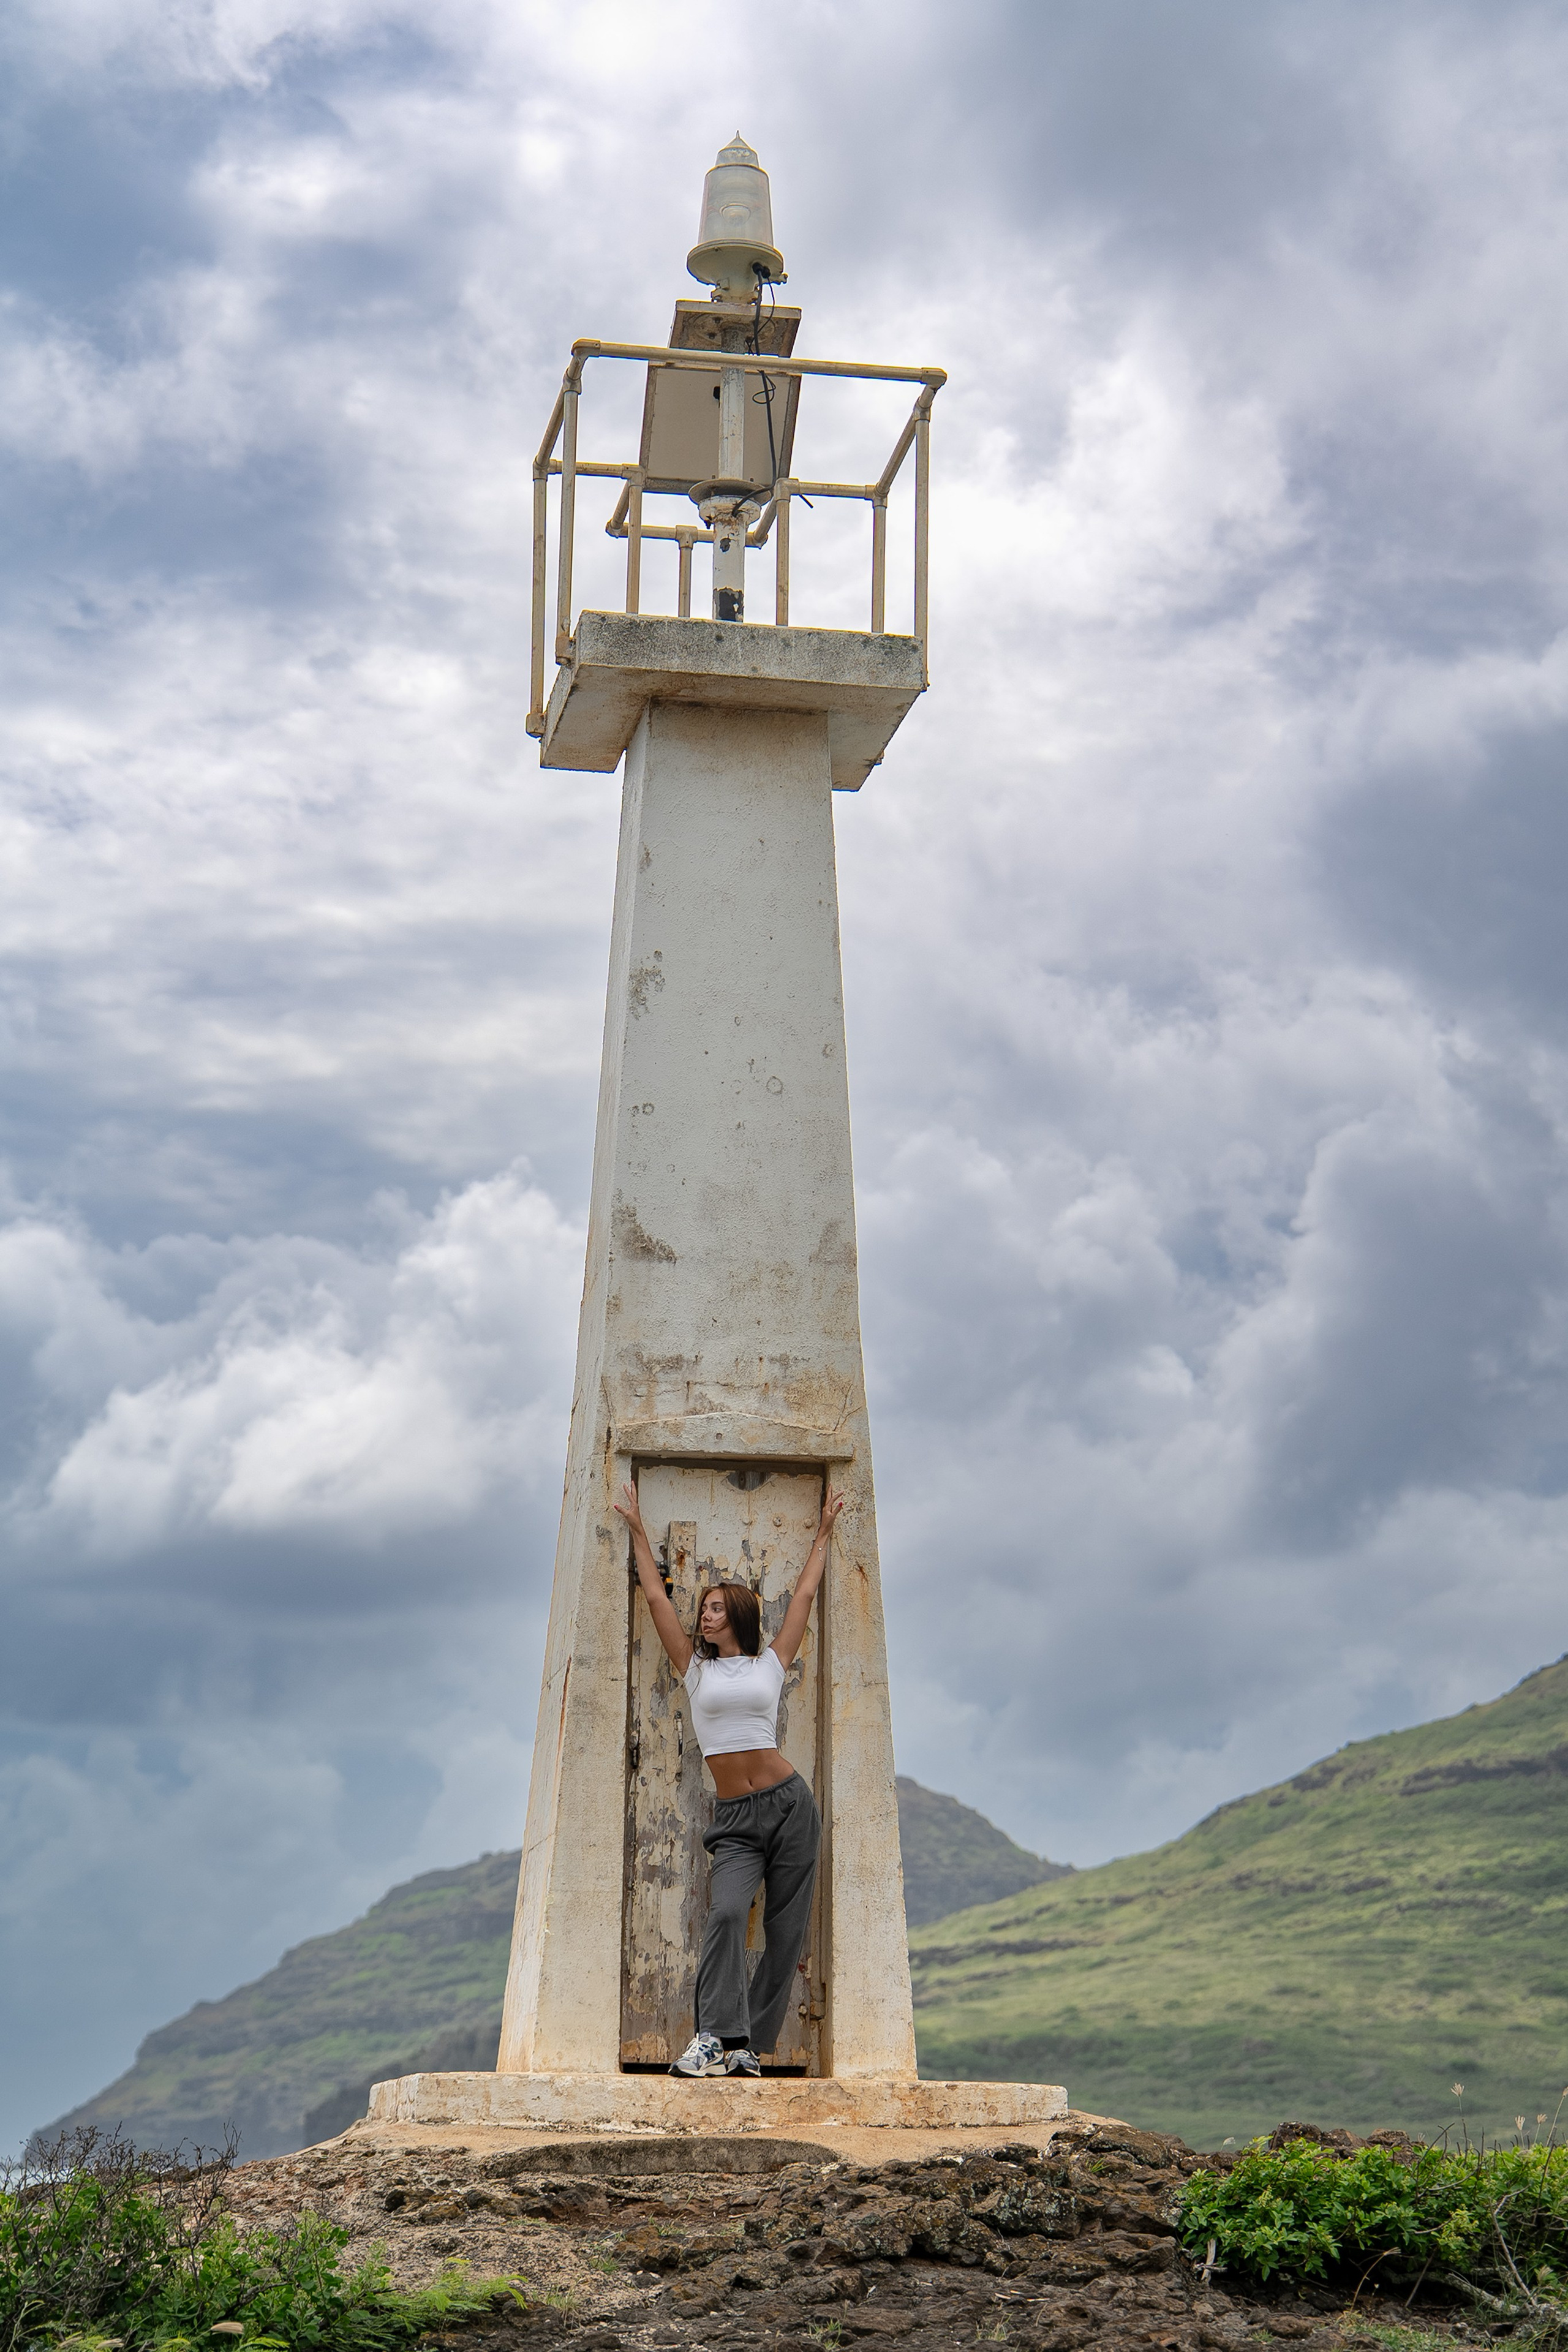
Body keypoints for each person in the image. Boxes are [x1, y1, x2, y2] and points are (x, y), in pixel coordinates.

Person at [614, 1479, 844, 2078]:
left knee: (785, 1932)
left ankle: (749, 2048)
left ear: (737, 1614)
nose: (704, 1616)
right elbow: (657, 1600)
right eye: (704, 1609)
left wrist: (823, 1532)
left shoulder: (771, 1663)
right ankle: (714, 2037)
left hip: (790, 1806)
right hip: (737, 1819)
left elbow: (805, 1594)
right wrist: (638, 1530)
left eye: (715, 1608)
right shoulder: (695, 1670)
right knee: (726, 1916)